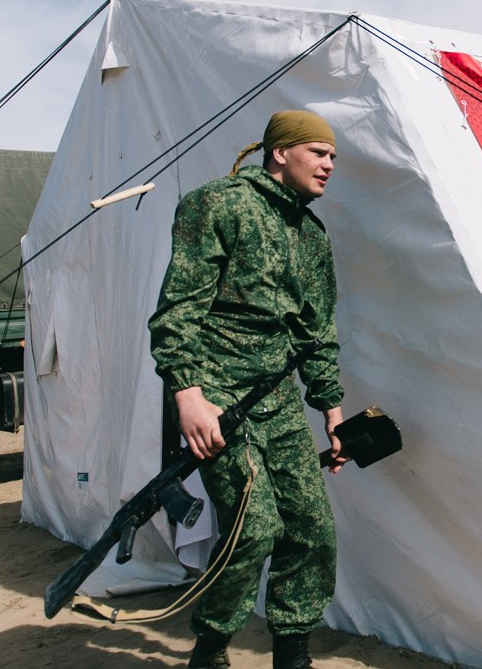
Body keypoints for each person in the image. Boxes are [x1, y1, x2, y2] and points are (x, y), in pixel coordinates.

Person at [149, 110, 348, 669]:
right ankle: (211, 649)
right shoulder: (219, 204)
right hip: (217, 395)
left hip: (278, 397)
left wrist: (332, 410)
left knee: (312, 529)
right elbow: (177, 311)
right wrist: (188, 395)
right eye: (319, 152)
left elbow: (316, 332)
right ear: (280, 153)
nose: (330, 165)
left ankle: (293, 653)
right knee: (253, 528)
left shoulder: (312, 234)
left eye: (333, 156)